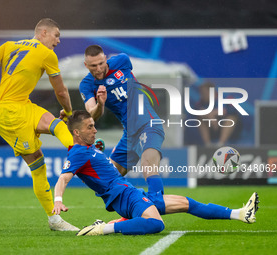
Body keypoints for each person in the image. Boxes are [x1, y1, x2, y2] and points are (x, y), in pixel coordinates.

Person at [0, 18, 78, 231]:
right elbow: (61, 91)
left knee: (56, 124)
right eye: (56, 35)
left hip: (22, 106)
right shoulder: (47, 54)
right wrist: (70, 111)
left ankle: (80, 154)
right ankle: (54, 220)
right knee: (38, 166)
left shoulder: (9, 46)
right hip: (9, 115)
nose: (58, 41)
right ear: (43, 32)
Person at [52, 110, 259, 236]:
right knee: (156, 224)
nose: (95, 130)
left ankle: (240, 214)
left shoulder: (88, 149)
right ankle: (104, 228)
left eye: (94, 125)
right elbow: (64, 177)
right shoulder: (78, 152)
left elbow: (98, 167)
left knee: (187, 203)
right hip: (123, 195)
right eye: (90, 127)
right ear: (77, 133)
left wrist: (95, 147)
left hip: (129, 191)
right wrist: (58, 199)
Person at [80, 44, 164, 196]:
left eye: (101, 63)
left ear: (106, 59)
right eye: (93, 66)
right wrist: (100, 103)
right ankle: (135, 207)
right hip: (130, 134)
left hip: (148, 124)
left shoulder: (122, 61)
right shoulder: (86, 85)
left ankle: (157, 205)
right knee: (107, 181)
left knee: (148, 165)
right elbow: (92, 115)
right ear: (86, 65)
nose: (98, 69)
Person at [195, 82, 242, 146]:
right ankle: (208, 144)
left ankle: (221, 143)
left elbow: (233, 110)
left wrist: (213, 113)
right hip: (213, 129)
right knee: (200, 119)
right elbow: (197, 111)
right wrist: (211, 117)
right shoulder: (201, 102)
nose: (203, 95)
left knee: (231, 118)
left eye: (204, 93)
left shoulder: (225, 97)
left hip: (231, 130)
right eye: (201, 93)